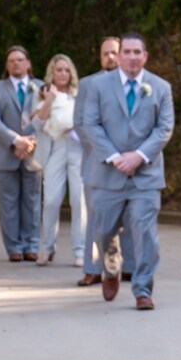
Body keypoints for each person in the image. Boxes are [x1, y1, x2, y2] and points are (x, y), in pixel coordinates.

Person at [77, 32, 174, 309]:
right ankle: (110, 268)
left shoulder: (160, 87)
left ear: (145, 56)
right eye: (127, 52)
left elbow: (164, 128)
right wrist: (115, 157)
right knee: (103, 231)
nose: (132, 57)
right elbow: (90, 124)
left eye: (137, 52)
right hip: (108, 173)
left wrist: (139, 157)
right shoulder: (98, 86)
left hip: (146, 176)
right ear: (119, 56)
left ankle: (143, 289)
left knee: (145, 234)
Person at [76, 35, 128, 289]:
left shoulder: (133, 83)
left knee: (129, 216)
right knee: (96, 217)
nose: (109, 57)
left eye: (113, 52)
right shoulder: (87, 85)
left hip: (130, 163)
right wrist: (106, 152)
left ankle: (128, 267)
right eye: (105, 53)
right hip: (97, 162)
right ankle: (93, 268)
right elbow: (80, 123)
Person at [0, 45, 43, 261]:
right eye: (11, 61)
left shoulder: (41, 87)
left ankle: (31, 246)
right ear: (6, 66)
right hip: (4, 153)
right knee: (8, 204)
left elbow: (46, 118)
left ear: (28, 63)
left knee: (33, 201)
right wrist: (15, 140)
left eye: (20, 60)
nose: (16, 64)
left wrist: (31, 142)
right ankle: (14, 248)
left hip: (34, 153)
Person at [31, 54, 84, 266]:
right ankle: (47, 247)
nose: (62, 74)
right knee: (51, 200)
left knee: (79, 200)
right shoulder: (43, 93)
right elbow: (37, 123)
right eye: (58, 70)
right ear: (51, 72)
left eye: (66, 70)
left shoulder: (78, 94)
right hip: (55, 146)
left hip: (78, 148)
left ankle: (80, 250)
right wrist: (49, 101)